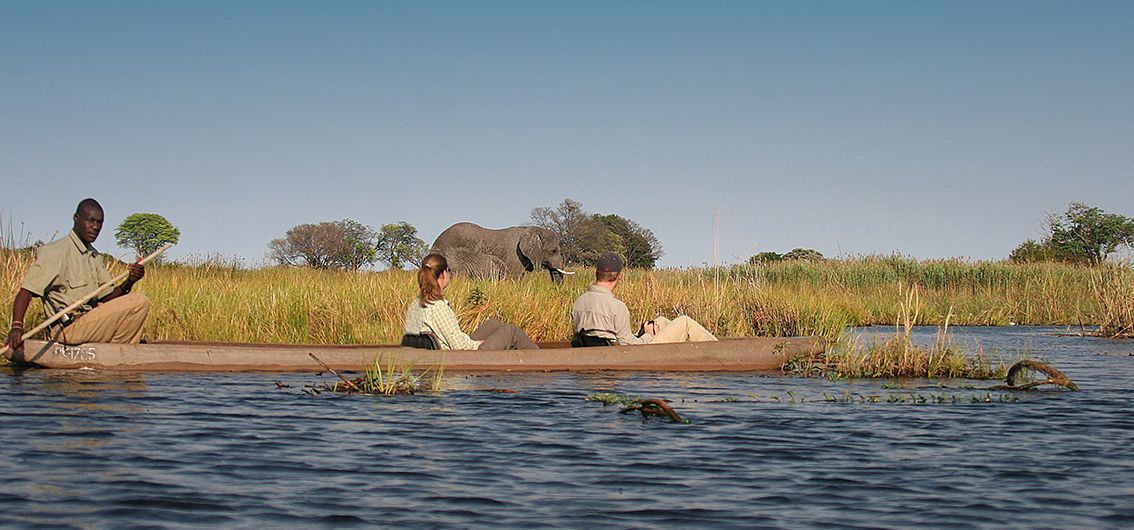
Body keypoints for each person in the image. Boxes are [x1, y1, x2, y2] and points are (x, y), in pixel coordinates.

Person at [5, 198, 150, 353]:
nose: (95, 227)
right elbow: (26, 292)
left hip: (90, 323)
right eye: (91, 221)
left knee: (136, 303)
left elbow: (107, 298)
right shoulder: (56, 252)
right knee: (139, 301)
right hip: (68, 329)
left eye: (100, 223)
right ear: (76, 218)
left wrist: (130, 281)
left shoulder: (94, 256)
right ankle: (118, 355)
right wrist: (17, 326)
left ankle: (114, 358)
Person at [572, 252, 717, 346]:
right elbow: (628, 346)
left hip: (605, 348)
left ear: (596, 272)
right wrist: (647, 335)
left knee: (661, 320)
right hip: (632, 353)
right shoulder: (617, 307)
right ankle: (719, 350)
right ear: (619, 276)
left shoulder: (578, 303)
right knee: (684, 321)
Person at [402, 253, 538, 350]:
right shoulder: (437, 306)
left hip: (448, 351)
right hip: (460, 357)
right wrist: (480, 344)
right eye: (448, 271)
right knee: (511, 331)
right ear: (443, 274)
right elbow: (459, 347)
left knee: (494, 324)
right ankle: (541, 359)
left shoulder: (416, 304)